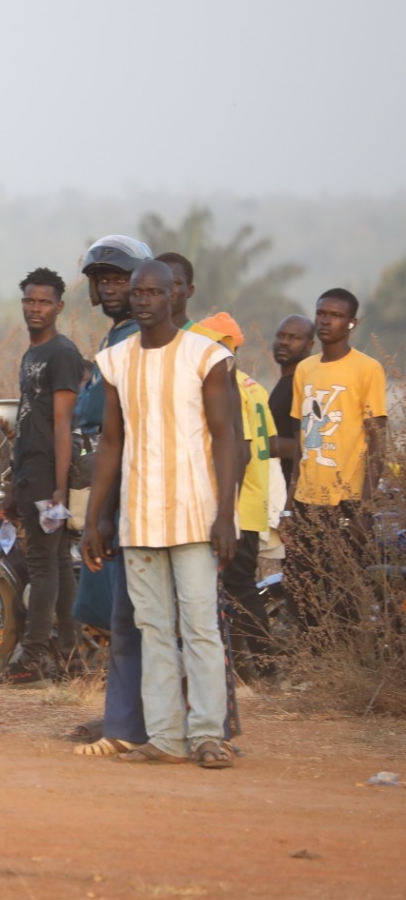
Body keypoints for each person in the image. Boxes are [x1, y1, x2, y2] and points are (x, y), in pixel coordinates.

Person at [81, 260, 239, 768]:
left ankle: (209, 735)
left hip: (195, 513)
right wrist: (93, 519)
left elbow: (226, 438)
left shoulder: (205, 356)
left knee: (199, 627)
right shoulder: (116, 360)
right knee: (152, 628)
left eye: (154, 291)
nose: (144, 300)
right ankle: (168, 737)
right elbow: (110, 442)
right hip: (139, 516)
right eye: (137, 292)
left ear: (175, 295)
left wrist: (226, 515)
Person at [66, 235, 149, 755]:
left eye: (120, 279)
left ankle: (130, 722)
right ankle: (118, 715)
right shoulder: (114, 338)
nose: (111, 288)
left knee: (131, 613)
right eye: (104, 281)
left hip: (129, 491)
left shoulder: (140, 340)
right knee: (111, 610)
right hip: (107, 487)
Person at [0, 268, 82, 685]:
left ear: (59, 307)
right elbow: (29, 421)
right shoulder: (32, 354)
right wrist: (15, 482)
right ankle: (69, 657)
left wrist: (59, 486)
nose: (35, 308)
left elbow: (63, 422)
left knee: (44, 566)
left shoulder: (62, 354)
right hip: (30, 472)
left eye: (44, 302)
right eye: (29, 301)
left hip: (50, 473)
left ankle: (32, 657)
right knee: (59, 566)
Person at [286, 288, 389, 627]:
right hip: (307, 498)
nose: (326, 320)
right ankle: (309, 660)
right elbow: (303, 438)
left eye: (335, 315)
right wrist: (290, 501)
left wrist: (365, 507)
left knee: (344, 585)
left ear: (351, 323)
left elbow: (377, 442)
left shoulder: (367, 368)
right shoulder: (305, 369)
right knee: (300, 584)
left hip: (346, 498)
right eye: (321, 313)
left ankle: (347, 659)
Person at [197, 312, 278, 676]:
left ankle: (266, 667)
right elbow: (271, 444)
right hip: (252, 500)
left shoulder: (226, 387)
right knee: (238, 587)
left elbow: (240, 450)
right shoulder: (253, 387)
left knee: (239, 588)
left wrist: (223, 506)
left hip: (237, 503)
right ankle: (251, 667)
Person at [267, 315, 316, 488]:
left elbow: (309, 446)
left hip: (298, 490)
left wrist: (262, 443)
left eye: (294, 337)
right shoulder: (286, 381)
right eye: (280, 336)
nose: (284, 342)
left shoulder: (304, 385)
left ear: (309, 346)